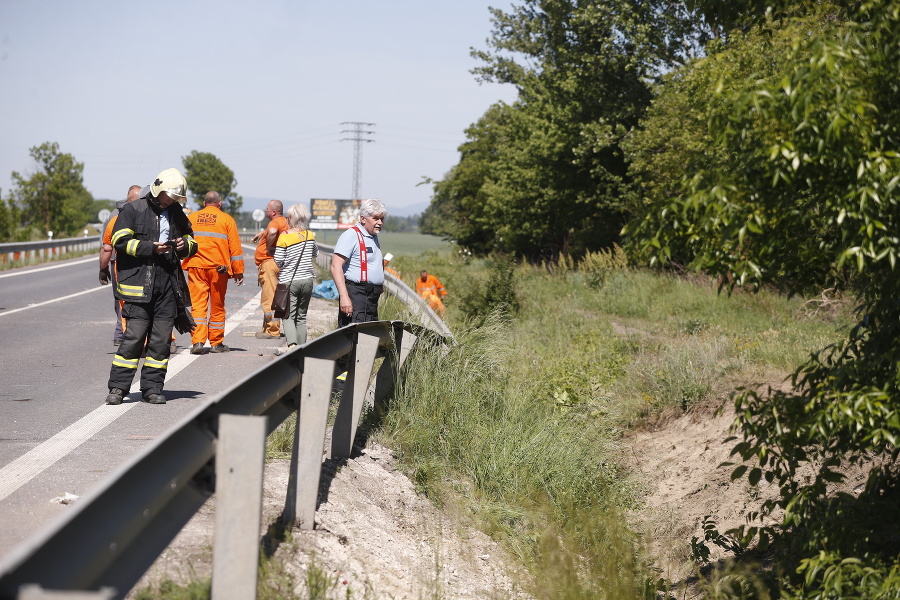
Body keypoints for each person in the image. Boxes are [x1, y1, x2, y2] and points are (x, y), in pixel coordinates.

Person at [104, 168, 198, 406]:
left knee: (160, 342)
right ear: (159, 189)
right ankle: (117, 388)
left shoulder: (176, 212)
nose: (173, 201)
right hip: (139, 284)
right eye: (171, 196)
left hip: (168, 285)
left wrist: (182, 245)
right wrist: (150, 248)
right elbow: (119, 241)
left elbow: (192, 240)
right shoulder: (132, 210)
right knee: (134, 339)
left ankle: (152, 389)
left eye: (176, 198)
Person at [182, 191, 245, 355]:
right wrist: (238, 271)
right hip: (219, 269)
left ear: (204, 203)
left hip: (196, 266)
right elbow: (235, 248)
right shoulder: (227, 220)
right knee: (217, 306)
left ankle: (197, 341)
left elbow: (182, 241)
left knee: (197, 306)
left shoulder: (192, 218)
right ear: (220, 203)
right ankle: (216, 343)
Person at [330, 198, 387, 326]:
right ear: (363, 219)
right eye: (376, 218)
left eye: (382, 219)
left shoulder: (373, 236)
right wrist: (344, 297)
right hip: (357, 293)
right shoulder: (350, 235)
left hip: (372, 295)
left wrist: (379, 282)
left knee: (369, 335)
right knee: (354, 333)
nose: (380, 222)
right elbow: (335, 266)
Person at [273, 203, 318, 355]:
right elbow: (315, 253)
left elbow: (278, 260)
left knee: (288, 315)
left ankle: (292, 346)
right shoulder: (310, 235)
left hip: (290, 281)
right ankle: (302, 348)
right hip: (307, 280)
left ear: (291, 218)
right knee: (302, 316)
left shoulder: (284, 236)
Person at [99, 184, 141, 345]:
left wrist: (103, 269)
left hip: (117, 263)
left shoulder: (114, 216)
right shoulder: (146, 214)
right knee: (135, 301)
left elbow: (106, 247)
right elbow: (107, 246)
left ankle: (121, 335)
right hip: (132, 265)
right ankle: (129, 337)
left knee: (121, 300)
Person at [252, 200, 289, 339]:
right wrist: (264, 233)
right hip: (276, 264)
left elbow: (273, 231)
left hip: (268, 263)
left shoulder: (274, 223)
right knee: (271, 295)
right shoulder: (285, 221)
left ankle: (273, 331)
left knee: (269, 297)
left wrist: (267, 248)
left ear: (273, 212)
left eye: (267, 209)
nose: (266, 210)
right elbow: (274, 231)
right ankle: (266, 329)